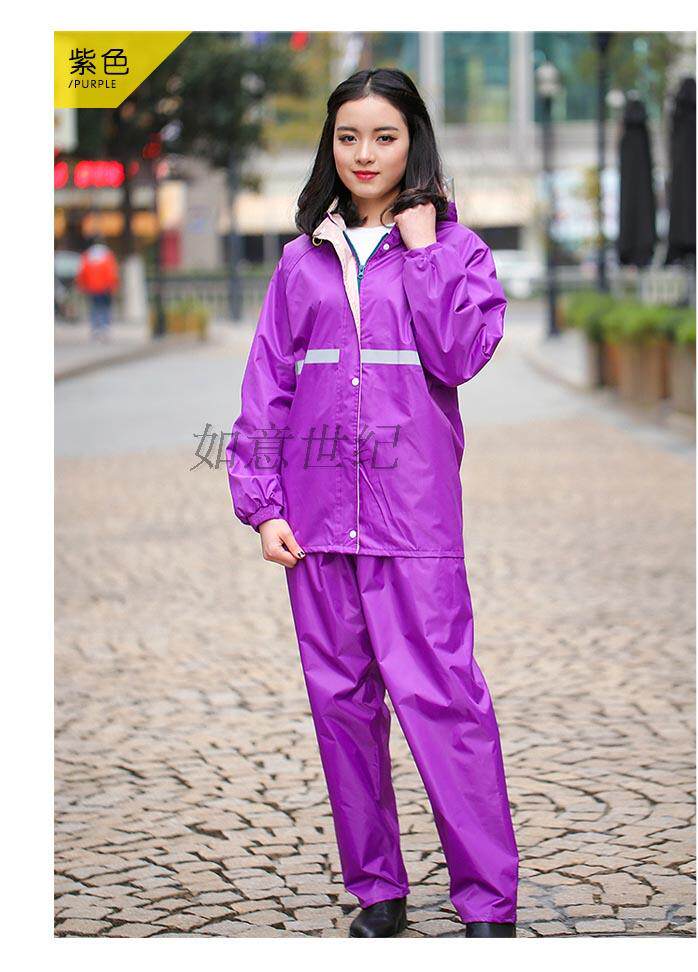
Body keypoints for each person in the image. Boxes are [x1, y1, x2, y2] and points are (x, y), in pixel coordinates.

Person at [226, 68, 519, 939]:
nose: (364, 153)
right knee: (342, 707)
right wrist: (263, 504)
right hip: (316, 525)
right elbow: (266, 390)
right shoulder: (300, 263)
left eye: (384, 137)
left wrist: (423, 252)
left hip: (413, 522)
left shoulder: (456, 251)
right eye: (348, 136)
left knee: (446, 702)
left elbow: (461, 354)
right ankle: (378, 890)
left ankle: (487, 902)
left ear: (412, 142)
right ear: (331, 144)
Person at [75, 236, 119, 340]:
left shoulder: (87, 256)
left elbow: (82, 272)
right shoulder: (107, 255)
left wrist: (81, 285)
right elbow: (112, 273)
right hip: (105, 287)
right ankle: (105, 327)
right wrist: (113, 285)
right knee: (105, 307)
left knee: (94, 308)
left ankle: (96, 328)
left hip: (92, 287)